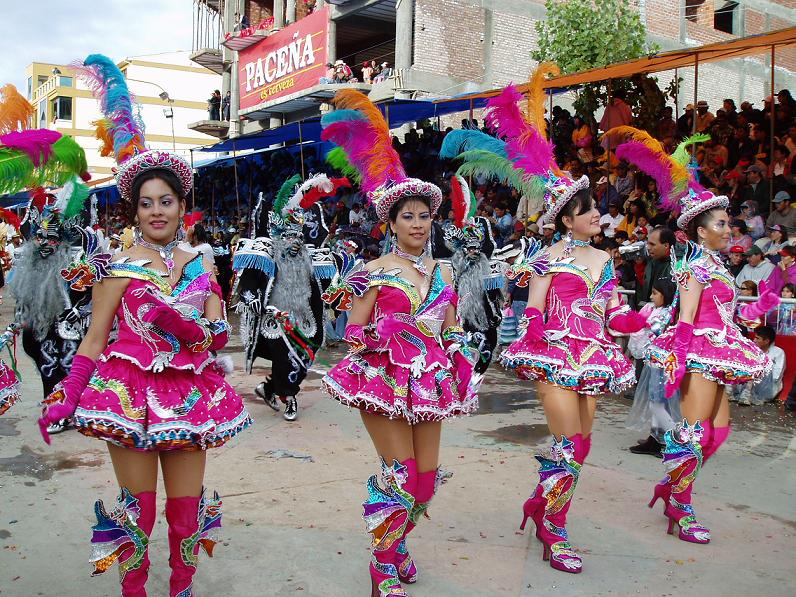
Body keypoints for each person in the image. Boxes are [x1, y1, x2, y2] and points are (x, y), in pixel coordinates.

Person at [38, 54, 251, 596]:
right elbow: (93, 337)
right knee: (139, 517)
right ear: (134, 211)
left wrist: (197, 331)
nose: (157, 211)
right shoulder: (117, 267)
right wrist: (66, 394)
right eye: (146, 203)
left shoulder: (203, 264)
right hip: (129, 395)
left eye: (167, 202)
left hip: (189, 393)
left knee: (186, 516)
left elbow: (217, 332)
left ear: (183, 207)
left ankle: (181, 586)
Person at [319, 89, 481, 596]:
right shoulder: (372, 271)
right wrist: (378, 333)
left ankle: (395, 541)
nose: (417, 224)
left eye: (424, 216)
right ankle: (382, 564)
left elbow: (450, 325)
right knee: (400, 476)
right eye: (407, 216)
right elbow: (351, 332)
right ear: (390, 225)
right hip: (385, 380)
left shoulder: (444, 271)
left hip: (431, 383)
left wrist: (460, 350)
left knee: (425, 484)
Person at [490, 81, 646, 575]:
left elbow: (611, 311)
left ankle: (543, 507)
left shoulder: (603, 257)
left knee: (580, 446)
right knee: (566, 444)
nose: (600, 214)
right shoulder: (546, 258)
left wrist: (640, 321)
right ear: (567, 219)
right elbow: (534, 307)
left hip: (593, 355)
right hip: (555, 354)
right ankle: (554, 531)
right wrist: (534, 331)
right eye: (591, 210)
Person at [615, 124, 775, 547]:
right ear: (701, 231)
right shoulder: (692, 269)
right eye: (722, 223)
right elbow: (685, 318)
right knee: (692, 432)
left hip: (721, 348)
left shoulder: (720, 266)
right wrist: (679, 361)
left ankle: (671, 487)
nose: (729, 228)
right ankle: (681, 508)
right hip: (699, 354)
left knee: (716, 434)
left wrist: (756, 315)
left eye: (728, 222)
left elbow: (727, 313)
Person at [235, 173, 346, 421]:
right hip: (277, 307)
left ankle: (269, 388)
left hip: (306, 309)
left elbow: (326, 277)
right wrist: (250, 295)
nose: (294, 241)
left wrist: (330, 300)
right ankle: (289, 396)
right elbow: (252, 270)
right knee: (282, 351)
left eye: (298, 236)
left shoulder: (310, 255)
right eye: (288, 236)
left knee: (310, 346)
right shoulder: (268, 249)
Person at [626, 277, 681, 457]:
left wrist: (640, 326)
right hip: (656, 361)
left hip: (664, 363)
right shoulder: (661, 311)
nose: (651, 296)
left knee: (658, 404)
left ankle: (675, 441)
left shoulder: (667, 315)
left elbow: (651, 332)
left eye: (655, 293)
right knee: (656, 401)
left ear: (666, 295)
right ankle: (656, 439)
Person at [727, 326, 785, 405]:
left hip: (768, 387)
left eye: (757, 338)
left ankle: (745, 396)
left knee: (754, 368)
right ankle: (731, 393)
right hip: (750, 384)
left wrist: (759, 373)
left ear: (766, 341)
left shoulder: (778, 352)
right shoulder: (752, 350)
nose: (754, 340)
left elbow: (776, 376)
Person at [638, 226, 676, 305]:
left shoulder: (680, 265)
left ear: (666, 246)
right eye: (648, 244)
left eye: (652, 244)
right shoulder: (652, 262)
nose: (648, 248)